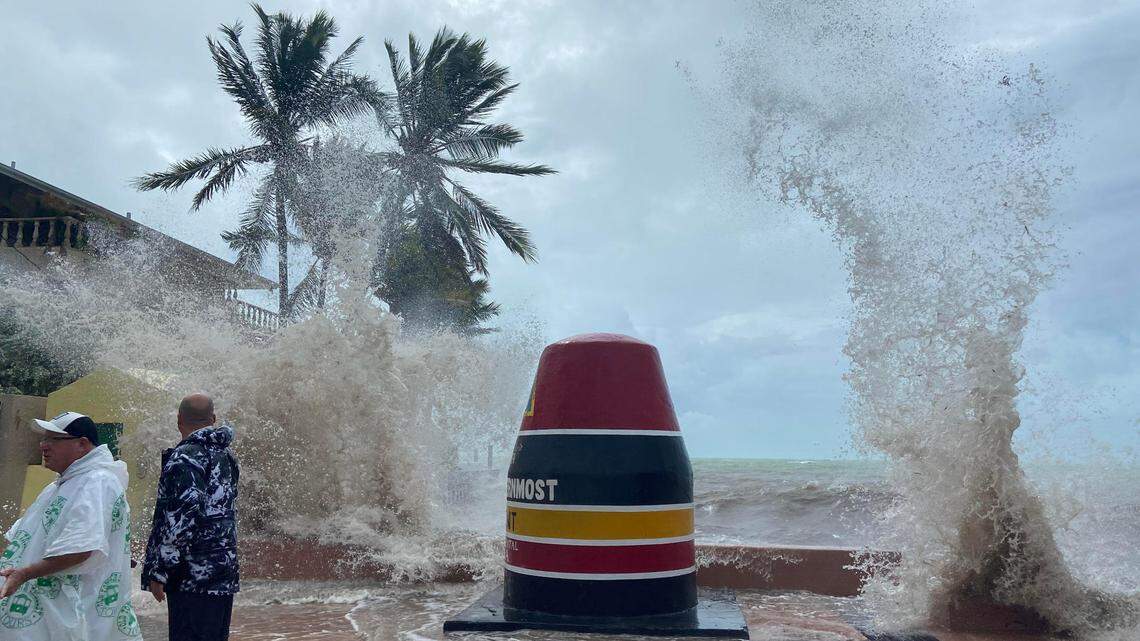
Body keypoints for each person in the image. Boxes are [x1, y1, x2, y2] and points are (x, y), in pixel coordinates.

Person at [0, 411, 140, 640]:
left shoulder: (96, 481)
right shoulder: (63, 484)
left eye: (53, 439)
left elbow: (81, 548)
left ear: (82, 444)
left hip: (76, 612)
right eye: (44, 439)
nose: (44, 446)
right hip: (50, 612)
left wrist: (23, 574)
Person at [141, 394, 239, 641]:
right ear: (213, 419)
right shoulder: (226, 456)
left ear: (179, 419)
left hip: (192, 576)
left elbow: (183, 517)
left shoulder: (185, 457)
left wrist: (160, 570)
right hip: (222, 572)